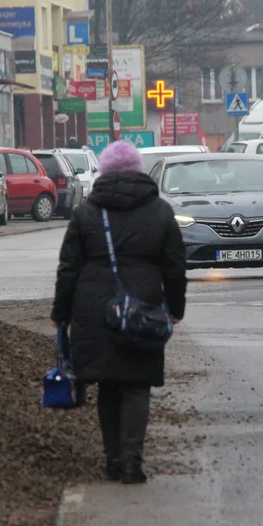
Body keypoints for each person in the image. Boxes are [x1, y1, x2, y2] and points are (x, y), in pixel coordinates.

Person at [51, 140, 187, 484]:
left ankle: (112, 460)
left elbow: (68, 268)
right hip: (142, 307)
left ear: (104, 173)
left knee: (108, 385)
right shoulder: (159, 210)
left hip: (93, 308)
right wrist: (175, 308)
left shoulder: (86, 213)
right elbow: (175, 266)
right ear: (139, 171)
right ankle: (131, 461)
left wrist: (61, 313)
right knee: (137, 383)